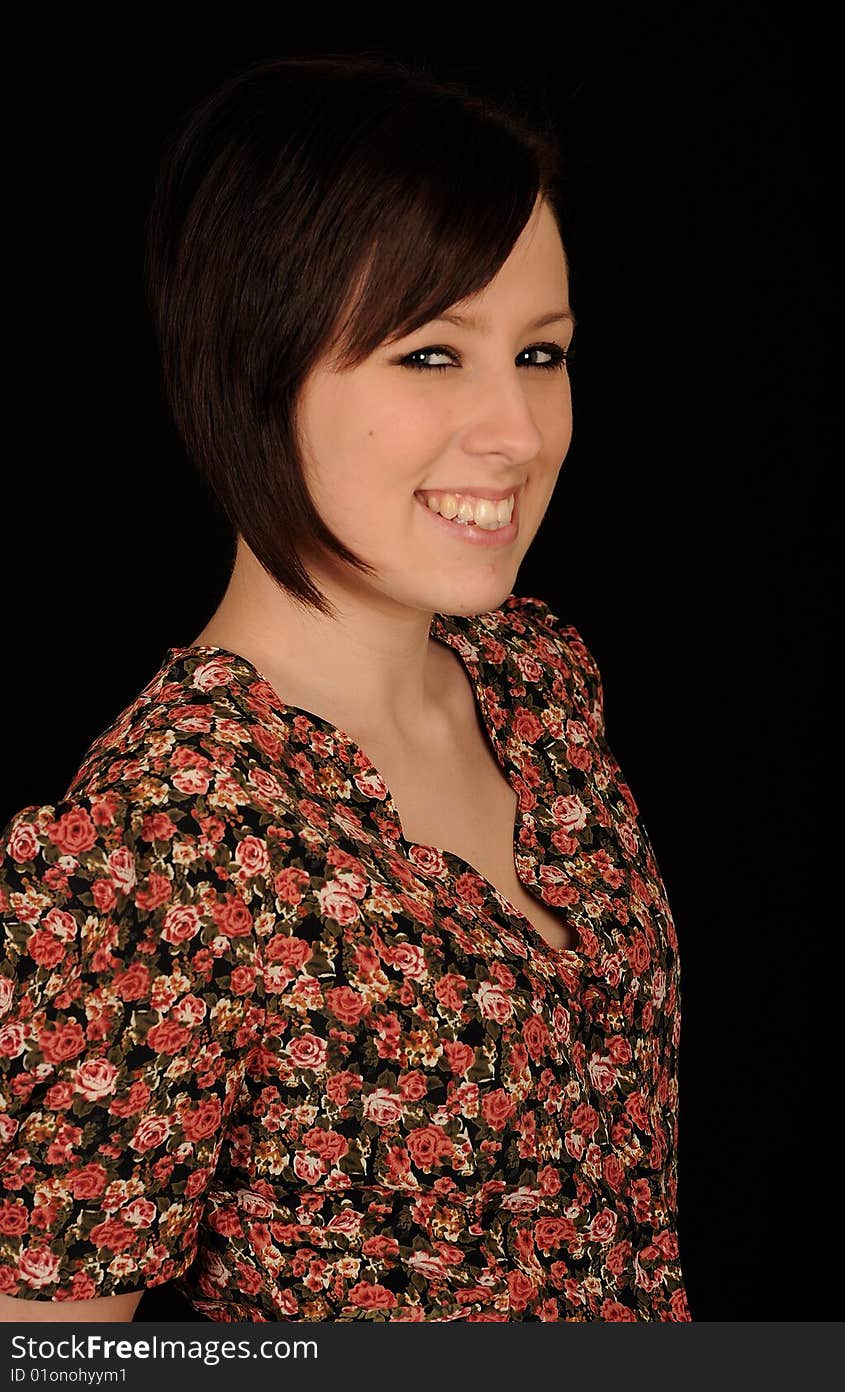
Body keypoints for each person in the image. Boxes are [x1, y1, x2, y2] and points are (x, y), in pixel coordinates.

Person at [0, 54, 691, 1323]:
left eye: (541, 354)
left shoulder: (534, 683)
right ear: (255, 370)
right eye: (431, 356)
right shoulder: (163, 840)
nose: (520, 433)